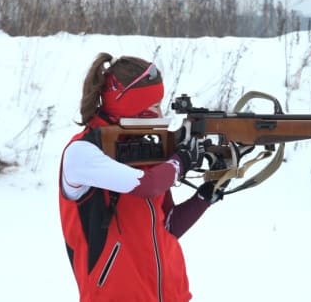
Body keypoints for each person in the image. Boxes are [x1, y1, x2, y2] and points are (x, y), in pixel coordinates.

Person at [58, 52, 223, 302]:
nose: (160, 113)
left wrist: (207, 194)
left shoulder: (144, 152)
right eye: (154, 106)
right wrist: (182, 160)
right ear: (133, 107)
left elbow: (168, 227)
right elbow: (145, 186)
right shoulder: (82, 153)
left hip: (170, 295)